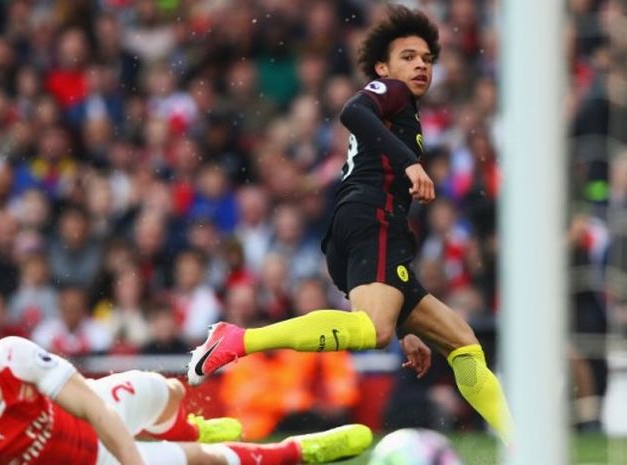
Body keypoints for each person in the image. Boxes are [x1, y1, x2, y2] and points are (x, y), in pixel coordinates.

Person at [188, 5, 513, 444]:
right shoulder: (391, 93)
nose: (420, 65)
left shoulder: (405, 115)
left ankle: (521, 442)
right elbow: (353, 110)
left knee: (462, 343)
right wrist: (410, 164)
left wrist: (405, 324)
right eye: (409, 56)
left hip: (365, 227)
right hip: (369, 216)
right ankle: (238, 339)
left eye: (427, 59)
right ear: (383, 67)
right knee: (373, 329)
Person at [0, 313, 372, 465]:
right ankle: (302, 451)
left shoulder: (9, 354)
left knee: (169, 391)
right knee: (208, 462)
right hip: (93, 460)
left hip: (98, 413)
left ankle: (191, 429)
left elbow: (88, 403)